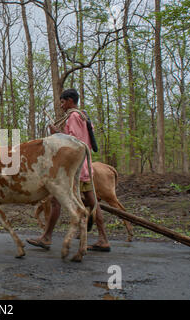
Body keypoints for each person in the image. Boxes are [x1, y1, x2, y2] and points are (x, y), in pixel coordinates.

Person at [26, 89, 111, 252]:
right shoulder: (84, 117)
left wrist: (56, 133)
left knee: (55, 200)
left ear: (70, 101)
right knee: (93, 202)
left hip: (74, 169)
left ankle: (46, 237)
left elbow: (72, 143)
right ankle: (103, 239)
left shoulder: (73, 117)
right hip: (86, 167)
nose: (62, 105)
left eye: (63, 102)